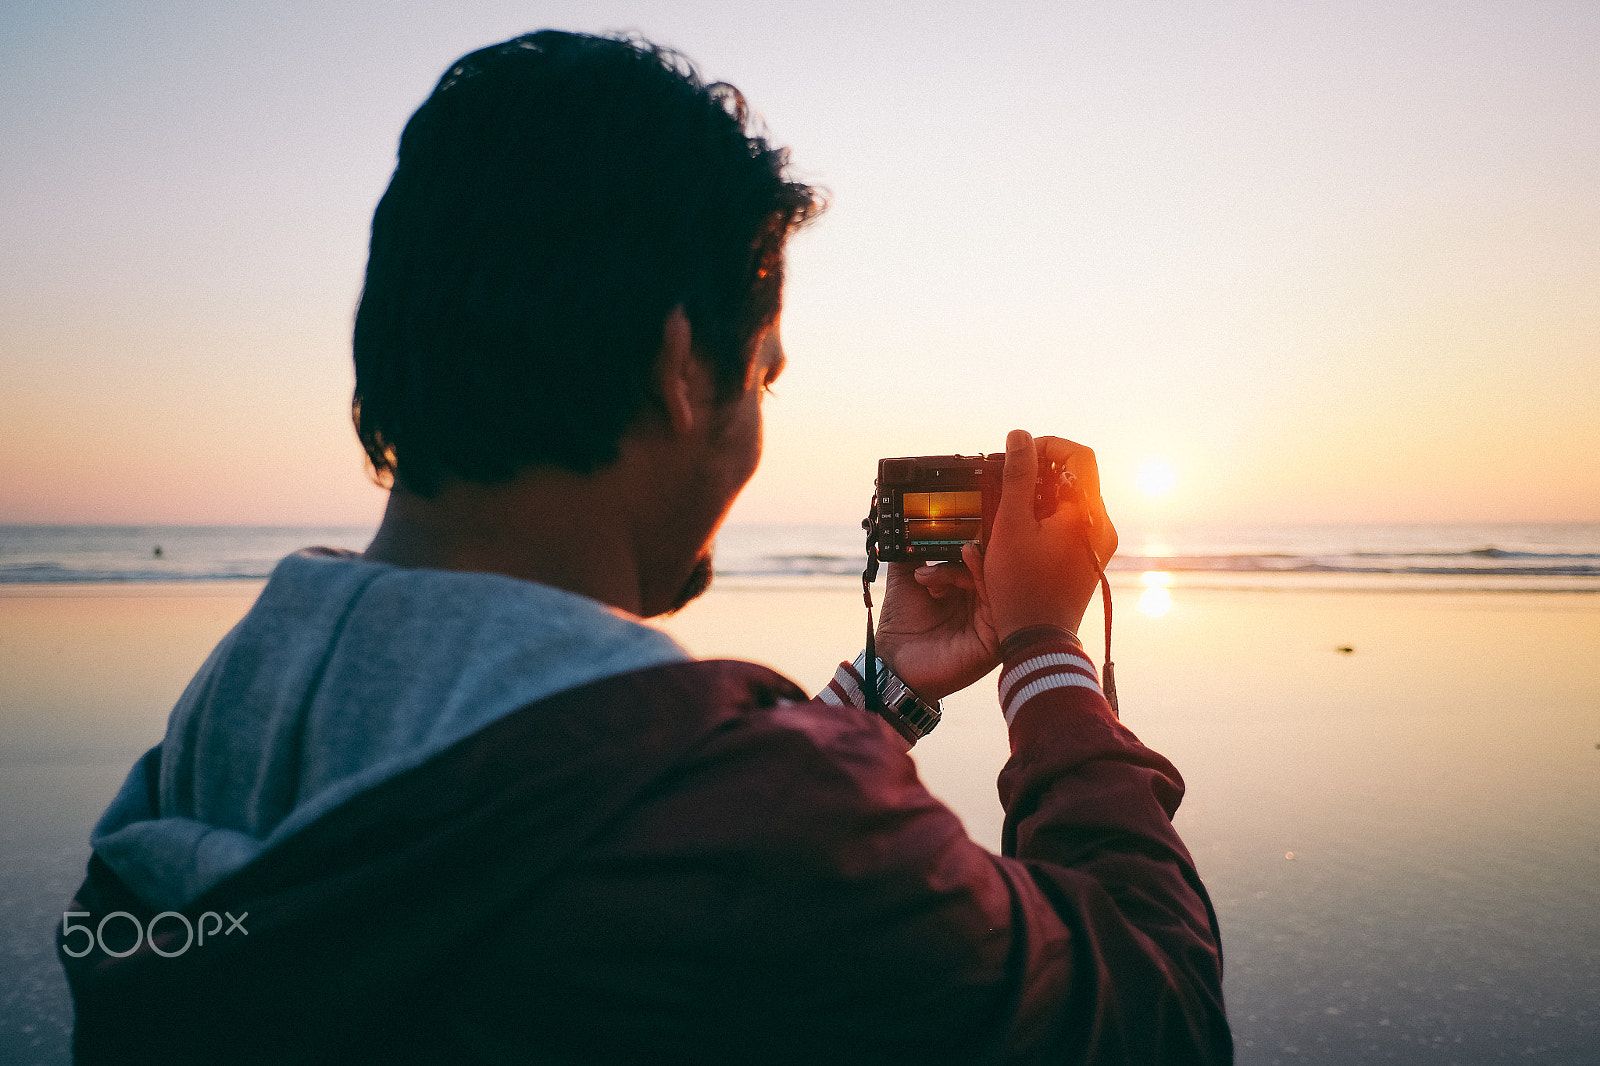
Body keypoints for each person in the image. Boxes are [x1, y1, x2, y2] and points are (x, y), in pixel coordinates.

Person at [58, 30, 1230, 1064]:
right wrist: (1042, 651)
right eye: (762, 373)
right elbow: (1153, 1011)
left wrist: (881, 690)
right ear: (683, 367)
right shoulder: (768, 823)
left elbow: (553, 817)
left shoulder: (216, 729)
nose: (760, 411)